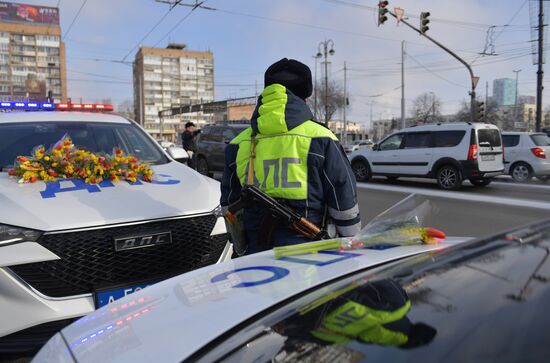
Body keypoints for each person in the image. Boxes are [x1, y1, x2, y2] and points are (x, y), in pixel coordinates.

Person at [220, 58, 360, 255]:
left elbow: (229, 205)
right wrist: (351, 244)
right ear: (305, 98)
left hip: (254, 259)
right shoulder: (321, 137)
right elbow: (343, 200)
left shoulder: (239, 142)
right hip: (311, 259)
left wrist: (240, 246)